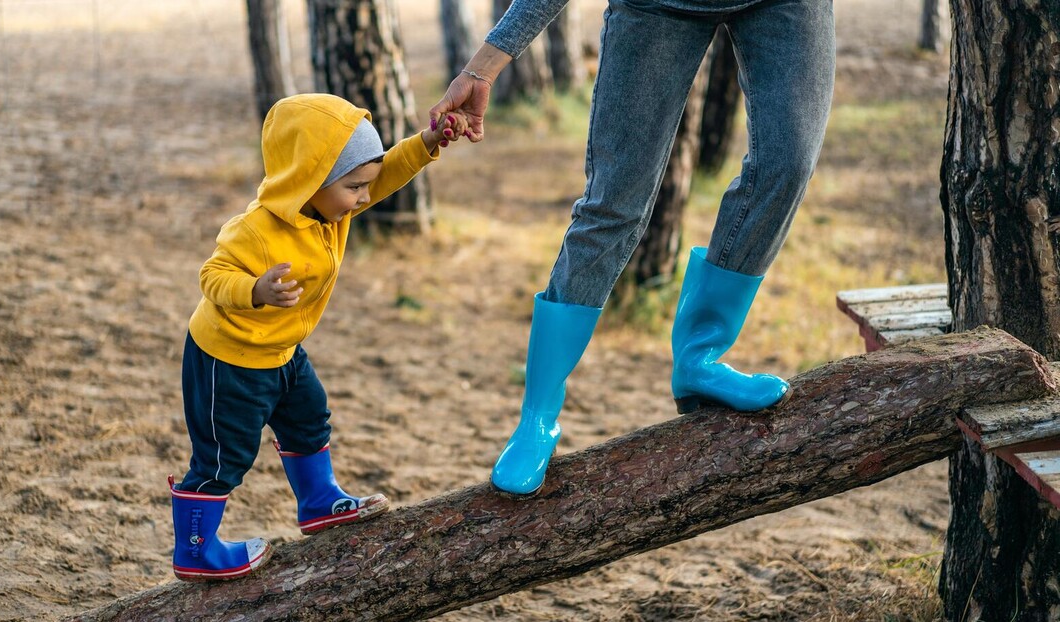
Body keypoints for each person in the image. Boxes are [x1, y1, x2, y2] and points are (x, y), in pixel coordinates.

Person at [430, 0, 835, 496]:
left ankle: (699, 359)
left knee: (786, 168)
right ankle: (537, 419)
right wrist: (485, 67)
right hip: (657, 7)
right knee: (613, 206)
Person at [168, 93, 468, 581]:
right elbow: (211, 275)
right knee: (226, 456)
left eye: (363, 186)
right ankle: (196, 549)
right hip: (230, 359)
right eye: (354, 187)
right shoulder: (257, 230)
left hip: (283, 351)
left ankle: (319, 501)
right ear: (309, 180)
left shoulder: (332, 207)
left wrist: (428, 142)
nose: (364, 198)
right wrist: (255, 290)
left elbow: (384, 173)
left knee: (309, 417)